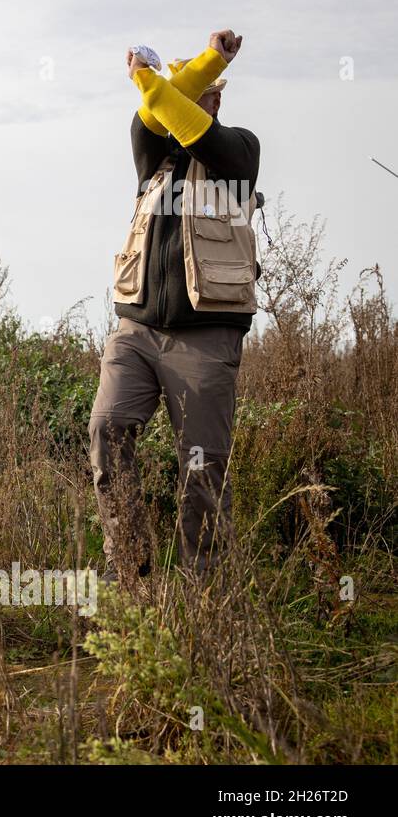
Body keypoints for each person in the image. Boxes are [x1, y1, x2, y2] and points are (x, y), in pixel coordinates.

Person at [89, 29, 260, 585]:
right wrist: (151, 81)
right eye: (190, 86)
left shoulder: (238, 152)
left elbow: (192, 126)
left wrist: (187, 67)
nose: (195, 97)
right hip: (135, 330)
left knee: (203, 464)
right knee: (108, 429)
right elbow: (152, 116)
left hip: (205, 336)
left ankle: (202, 590)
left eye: (207, 88)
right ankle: (129, 572)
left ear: (216, 99)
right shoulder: (151, 158)